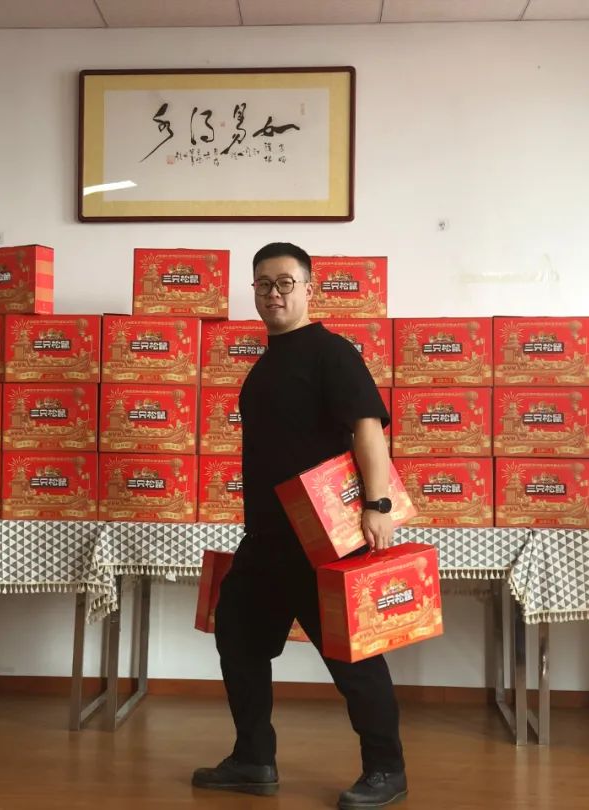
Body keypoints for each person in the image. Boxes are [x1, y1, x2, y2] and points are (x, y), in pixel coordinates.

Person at [192, 243, 406, 808]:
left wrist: (378, 506)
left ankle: (387, 769)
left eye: (285, 282)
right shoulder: (265, 366)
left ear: (310, 289)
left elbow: (367, 430)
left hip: (324, 540)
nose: (274, 294)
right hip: (266, 539)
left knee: (352, 658)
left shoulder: (332, 353)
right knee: (237, 637)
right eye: (263, 284)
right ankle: (253, 758)